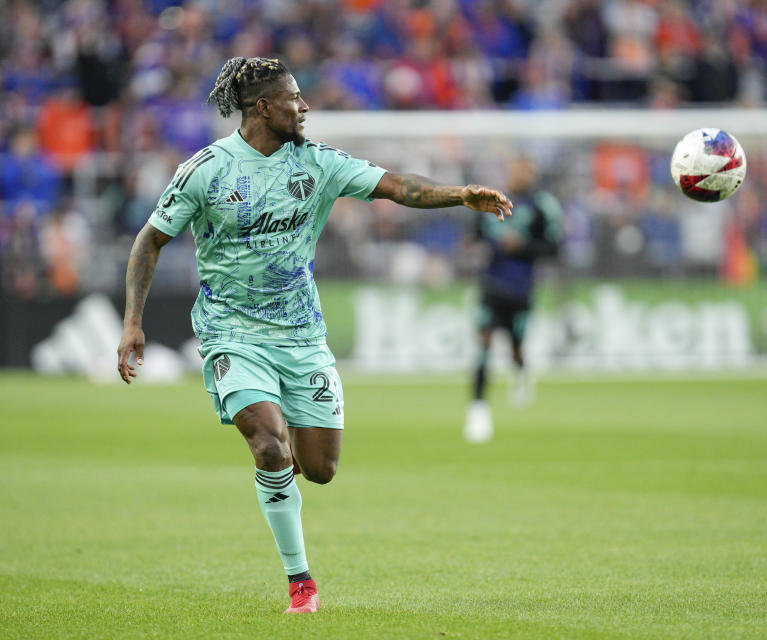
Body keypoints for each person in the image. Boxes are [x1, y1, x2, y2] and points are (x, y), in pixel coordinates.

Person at [115, 57, 512, 615]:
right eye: (294, 98)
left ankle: (286, 466)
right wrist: (133, 321)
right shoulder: (205, 171)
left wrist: (458, 193)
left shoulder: (320, 164)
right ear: (263, 107)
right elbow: (148, 241)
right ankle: (301, 583)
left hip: (302, 335)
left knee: (320, 469)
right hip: (232, 333)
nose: (304, 106)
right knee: (270, 444)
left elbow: (400, 187)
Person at [463, 156, 562, 444]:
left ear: (532, 174)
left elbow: (554, 246)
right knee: (483, 344)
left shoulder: (542, 206)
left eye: (524, 170)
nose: (518, 175)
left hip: (522, 289)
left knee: (516, 347)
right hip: (491, 285)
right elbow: (476, 235)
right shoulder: (492, 201)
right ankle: (478, 410)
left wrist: (523, 246)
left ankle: (521, 371)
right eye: (514, 169)